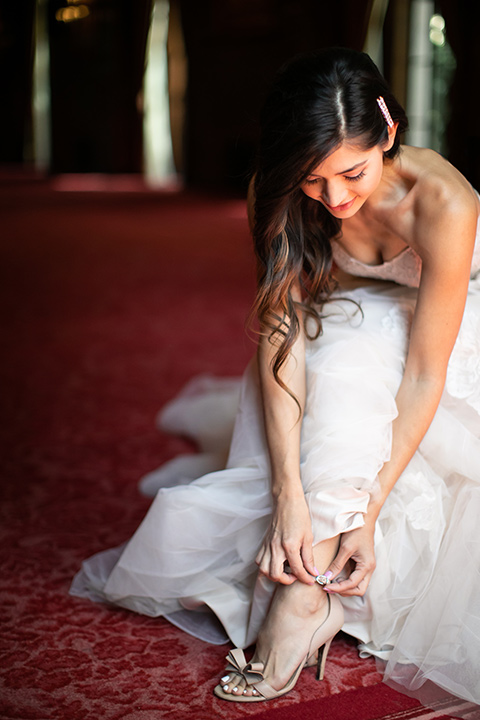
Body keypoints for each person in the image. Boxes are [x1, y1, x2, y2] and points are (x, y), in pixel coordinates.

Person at [71, 48, 480, 711]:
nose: (337, 199)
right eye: (315, 182)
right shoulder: (283, 187)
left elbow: (427, 370)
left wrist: (367, 511)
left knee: (350, 358)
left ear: (389, 133)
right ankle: (309, 585)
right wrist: (288, 492)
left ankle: (300, 594)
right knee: (333, 354)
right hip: (346, 318)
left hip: (452, 331)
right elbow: (281, 327)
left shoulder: (443, 202)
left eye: (353, 173)